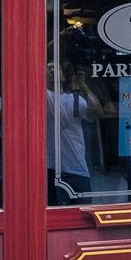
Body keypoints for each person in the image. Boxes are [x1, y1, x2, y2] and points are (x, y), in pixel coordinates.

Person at [47, 64, 102, 205]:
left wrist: (82, 86)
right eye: (47, 68)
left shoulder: (73, 99)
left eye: (55, 67)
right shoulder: (42, 95)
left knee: (84, 210)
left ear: (64, 76)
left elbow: (97, 112)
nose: (51, 70)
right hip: (50, 168)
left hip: (76, 166)